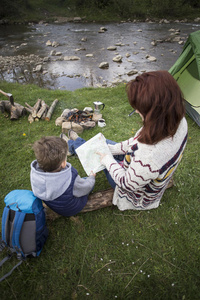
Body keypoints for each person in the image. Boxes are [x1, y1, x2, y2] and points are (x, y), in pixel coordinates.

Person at [96, 70, 188, 210]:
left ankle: (73, 145)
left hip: (137, 191)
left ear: (155, 111)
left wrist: (107, 160)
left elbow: (126, 183)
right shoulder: (178, 121)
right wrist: (112, 149)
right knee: (102, 144)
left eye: (140, 109)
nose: (137, 111)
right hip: (145, 170)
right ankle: (75, 144)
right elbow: (136, 143)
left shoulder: (149, 156)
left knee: (98, 151)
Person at [30, 136, 96, 217]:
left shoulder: (35, 173)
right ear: (63, 163)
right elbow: (86, 187)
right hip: (71, 208)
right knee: (87, 181)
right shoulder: (70, 177)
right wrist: (92, 178)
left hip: (54, 206)